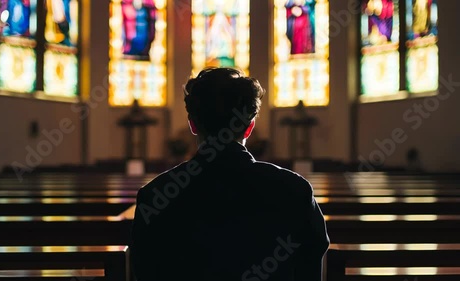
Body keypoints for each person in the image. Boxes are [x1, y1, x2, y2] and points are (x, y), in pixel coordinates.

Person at [131, 67, 329, 281]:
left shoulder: (154, 195)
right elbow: (310, 263)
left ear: (193, 124)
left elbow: (144, 269)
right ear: (249, 127)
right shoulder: (294, 190)